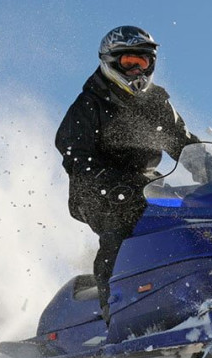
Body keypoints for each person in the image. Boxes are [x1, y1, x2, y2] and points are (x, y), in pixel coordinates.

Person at [56, 26, 199, 324]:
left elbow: (183, 142)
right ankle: (115, 316)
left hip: (146, 184)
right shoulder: (89, 103)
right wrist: (105, 183)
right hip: (95, 189)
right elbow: (74, 153)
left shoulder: (156, 103)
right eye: (129, 63)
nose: (136, 71)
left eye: (143, 63)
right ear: (110, 62)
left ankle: (196, 295)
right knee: (119, 229)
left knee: (193, 216)